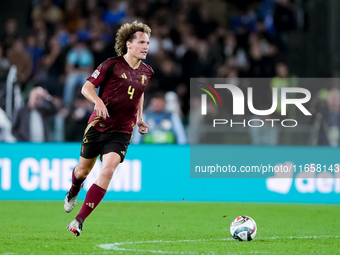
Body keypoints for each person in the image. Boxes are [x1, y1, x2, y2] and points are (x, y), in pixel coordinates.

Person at [64, 21, 153, 236]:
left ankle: (79, 220)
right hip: (99, 125)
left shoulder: (147, 71)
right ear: (128, 44)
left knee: (108, 169)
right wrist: (98, 101)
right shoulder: (111, 65)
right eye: (141, 42)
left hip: (122, 131)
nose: (146, 46)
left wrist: (140, 118)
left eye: (148, 43)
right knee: (83, 171)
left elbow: (139, 94)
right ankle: (74, 189)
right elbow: (86, 87)